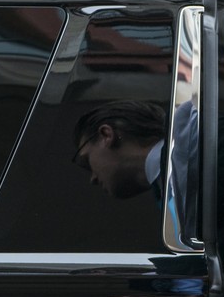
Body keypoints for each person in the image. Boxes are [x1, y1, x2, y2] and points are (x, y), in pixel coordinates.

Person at [73, 99, 199, 246]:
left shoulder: (193, 140)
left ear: (106, 135)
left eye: (86, 162)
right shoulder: (170, 182)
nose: (92, 179)